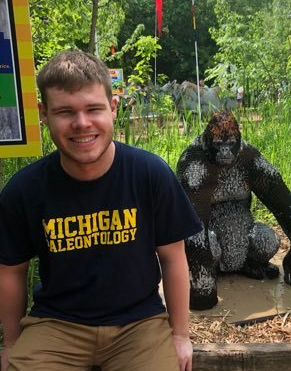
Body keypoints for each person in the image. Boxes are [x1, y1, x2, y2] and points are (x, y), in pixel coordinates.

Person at [0, 51, 202, 371]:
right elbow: (11, 271)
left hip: (140, 324)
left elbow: (173, 257)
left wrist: (180, 335)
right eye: (65, 111)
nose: (81, 124)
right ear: (43, 113)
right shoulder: (24, 189)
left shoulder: (150, 174)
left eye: (93, 109)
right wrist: (10, 344)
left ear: (113, 107)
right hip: (55, 325)